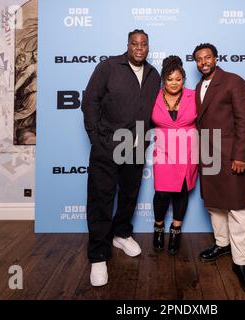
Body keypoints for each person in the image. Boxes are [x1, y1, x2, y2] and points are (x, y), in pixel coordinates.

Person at [81, 29, 160, 286]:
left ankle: (122, 233)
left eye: (144, 44)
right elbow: (90, 100)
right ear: (127, 45)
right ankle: (98, 255)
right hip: (108, 143)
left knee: (129, 194)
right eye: (135, 43)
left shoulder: (153, 74)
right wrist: (96, 137)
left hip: (136, 142)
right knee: (101, 198)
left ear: (148, 47)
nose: (139, 48)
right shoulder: (108, 67)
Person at [192, 43, 245, 297]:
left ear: (215, 58)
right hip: (208, 155)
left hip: (230, 156)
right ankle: (222, 244)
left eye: (207, 57)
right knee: (214, 204)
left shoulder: (233, 81)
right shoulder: (198, 87)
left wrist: (241, 156)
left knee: (236, 208)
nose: (203, 62)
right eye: (199, 59)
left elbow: (244, 120)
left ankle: (240, 263)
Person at [151, 56, 198, 255]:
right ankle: (159, 227)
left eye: (178, 79)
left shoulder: (193, 96)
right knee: (162, 192)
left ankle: (176, 229)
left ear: (183, 80)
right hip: (163, 151)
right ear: (163, 79)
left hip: (188, 150)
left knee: (182, 190)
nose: (174, 83)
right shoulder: (153, 96)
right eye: (170, 79)